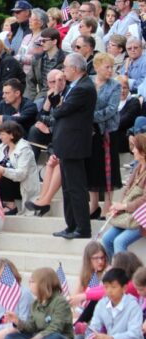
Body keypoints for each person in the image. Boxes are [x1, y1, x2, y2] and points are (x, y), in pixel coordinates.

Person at [51, 53, 97, 240]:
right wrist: (58, 92)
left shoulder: (84, 88)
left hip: (74, 144)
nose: (64, 71)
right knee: (68, 188)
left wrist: (59, 107)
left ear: (75, 68)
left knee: (76, 188)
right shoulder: (74, 86)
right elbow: (59, 108)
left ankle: (82, 227)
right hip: (67, 143)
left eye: (66, 67)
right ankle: (71, 225)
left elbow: (61, 111)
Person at [0, 268, 73, 339]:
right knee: (9, 338)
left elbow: (55, 329)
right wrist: (17, 321)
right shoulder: (35, 303)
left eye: (32, 281)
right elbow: (31, 327)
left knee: (55, 337)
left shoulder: (60, 302)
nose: (29, 284)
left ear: (43, 283)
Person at [87, 52, 121, 219]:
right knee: (92, 169)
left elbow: (111, 109)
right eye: (107, 67)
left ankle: (107, 206)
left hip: (107, 131)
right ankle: (93, 206)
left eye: (112, 67)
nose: (110, 70)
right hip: (90, 133)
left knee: (108, 169)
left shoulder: (115, 86)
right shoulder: (89, 82)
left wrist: (90, 117)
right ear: (97, 67)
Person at [100, 133, 146, 257]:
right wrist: (119, 207)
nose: (133, 150)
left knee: (119, 242)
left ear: (143, 150)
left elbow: (144, 200)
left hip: (142, 219)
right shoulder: (138, 168)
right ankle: (115, 271)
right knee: (106, 239)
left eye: (135, 147)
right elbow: (126, 192)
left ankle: (124, 275)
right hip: (129, 216)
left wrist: (124, 206)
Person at [76, 268, 144, 339]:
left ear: (124, 288)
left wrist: (111, 338)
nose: (109, 291)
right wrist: (91, 333)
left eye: (113, 287)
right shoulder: (102, 303)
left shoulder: (133, 306)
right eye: (106, 287)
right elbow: (95, 326)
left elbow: (135, 334)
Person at [0, 121, 40, 215]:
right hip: (9, 185)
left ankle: (10, 205)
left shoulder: (24, 149)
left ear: (11, 135)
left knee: (3, 171)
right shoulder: (2, 147)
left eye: (2, 134)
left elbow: (21, 174)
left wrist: (3, 170)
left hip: (22, 186)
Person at [0, 78, 38, 148]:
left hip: (22, 140)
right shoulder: (3, 104)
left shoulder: (30, 106)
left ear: (17, 93)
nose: (3, 96)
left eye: (7, 93)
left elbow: (18, 121)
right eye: (3, 93)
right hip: (4, 137)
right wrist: (4, 123)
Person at [25, 27, 66, 103]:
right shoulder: (37, 59)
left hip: (55, 95)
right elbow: (30, 81)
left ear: (54, 41)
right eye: (40, 41)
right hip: (39, 95)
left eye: (44, 41)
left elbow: (55, 85)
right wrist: (28, 100)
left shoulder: (65, 60)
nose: (41, 43)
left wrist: (36, 100)